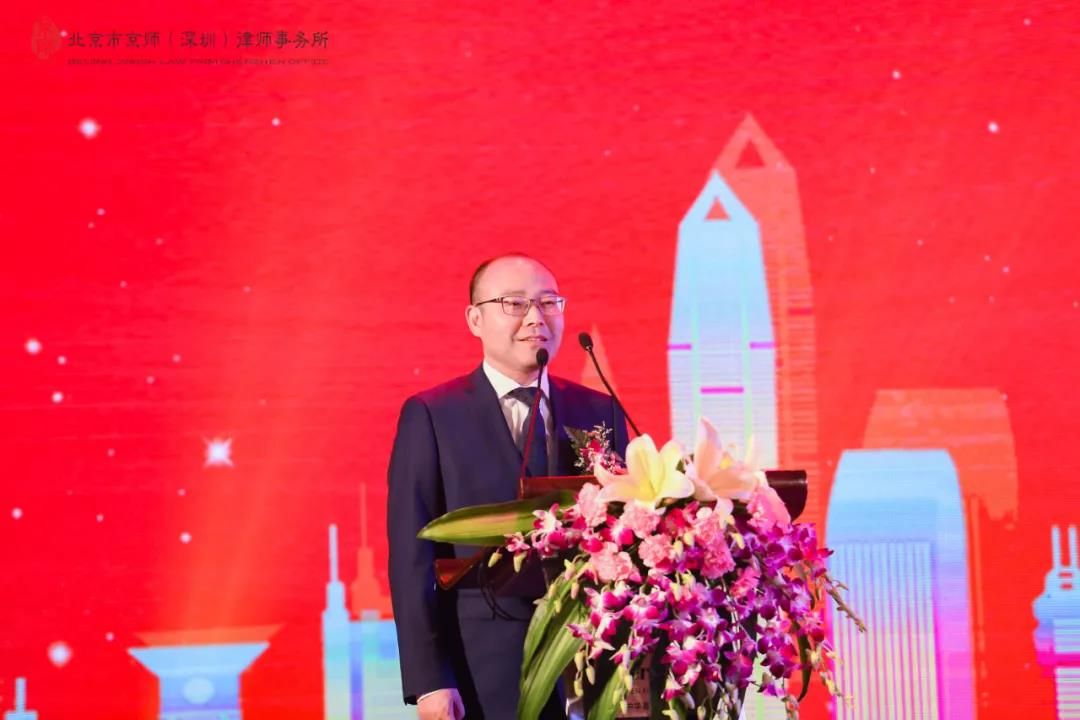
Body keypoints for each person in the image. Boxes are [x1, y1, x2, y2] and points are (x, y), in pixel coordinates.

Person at [387, 254, 629, 719]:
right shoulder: (434, 415)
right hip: (482, 669)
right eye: (514, 304)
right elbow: (410, 557)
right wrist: (429, 679)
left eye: (549, 303)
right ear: (475, 320)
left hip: (591, 667)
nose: (536, 318)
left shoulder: (601, 411)